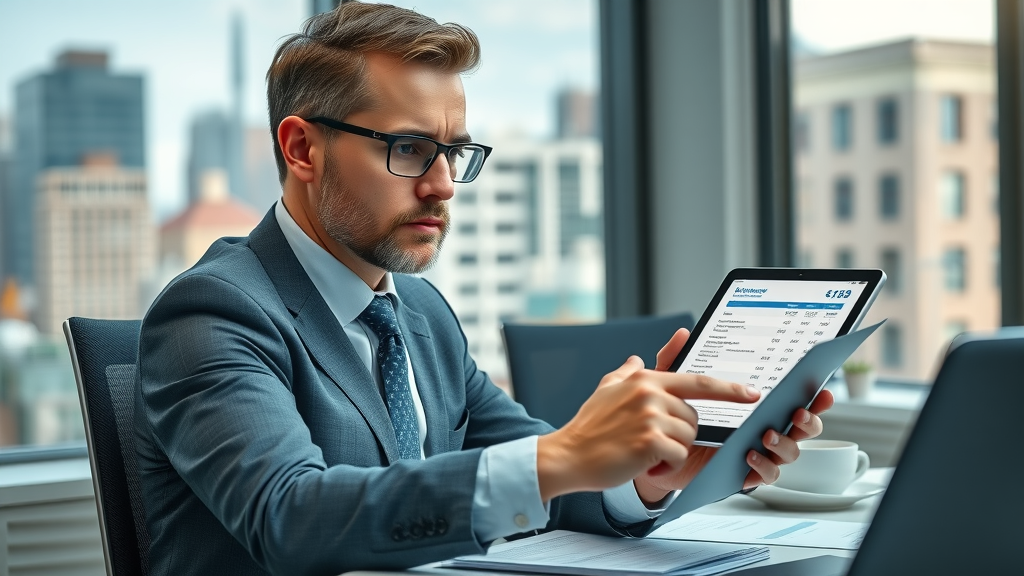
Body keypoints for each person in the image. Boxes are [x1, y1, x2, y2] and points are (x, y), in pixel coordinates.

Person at [134, 3, 833, 576]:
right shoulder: (214, 311)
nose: (442, 186)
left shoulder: (420, 313)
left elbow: (543, 483)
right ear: (302, 149)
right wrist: (562, 455)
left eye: (454, 153)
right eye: (408, 149)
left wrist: (652, 470)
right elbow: (289, 519)